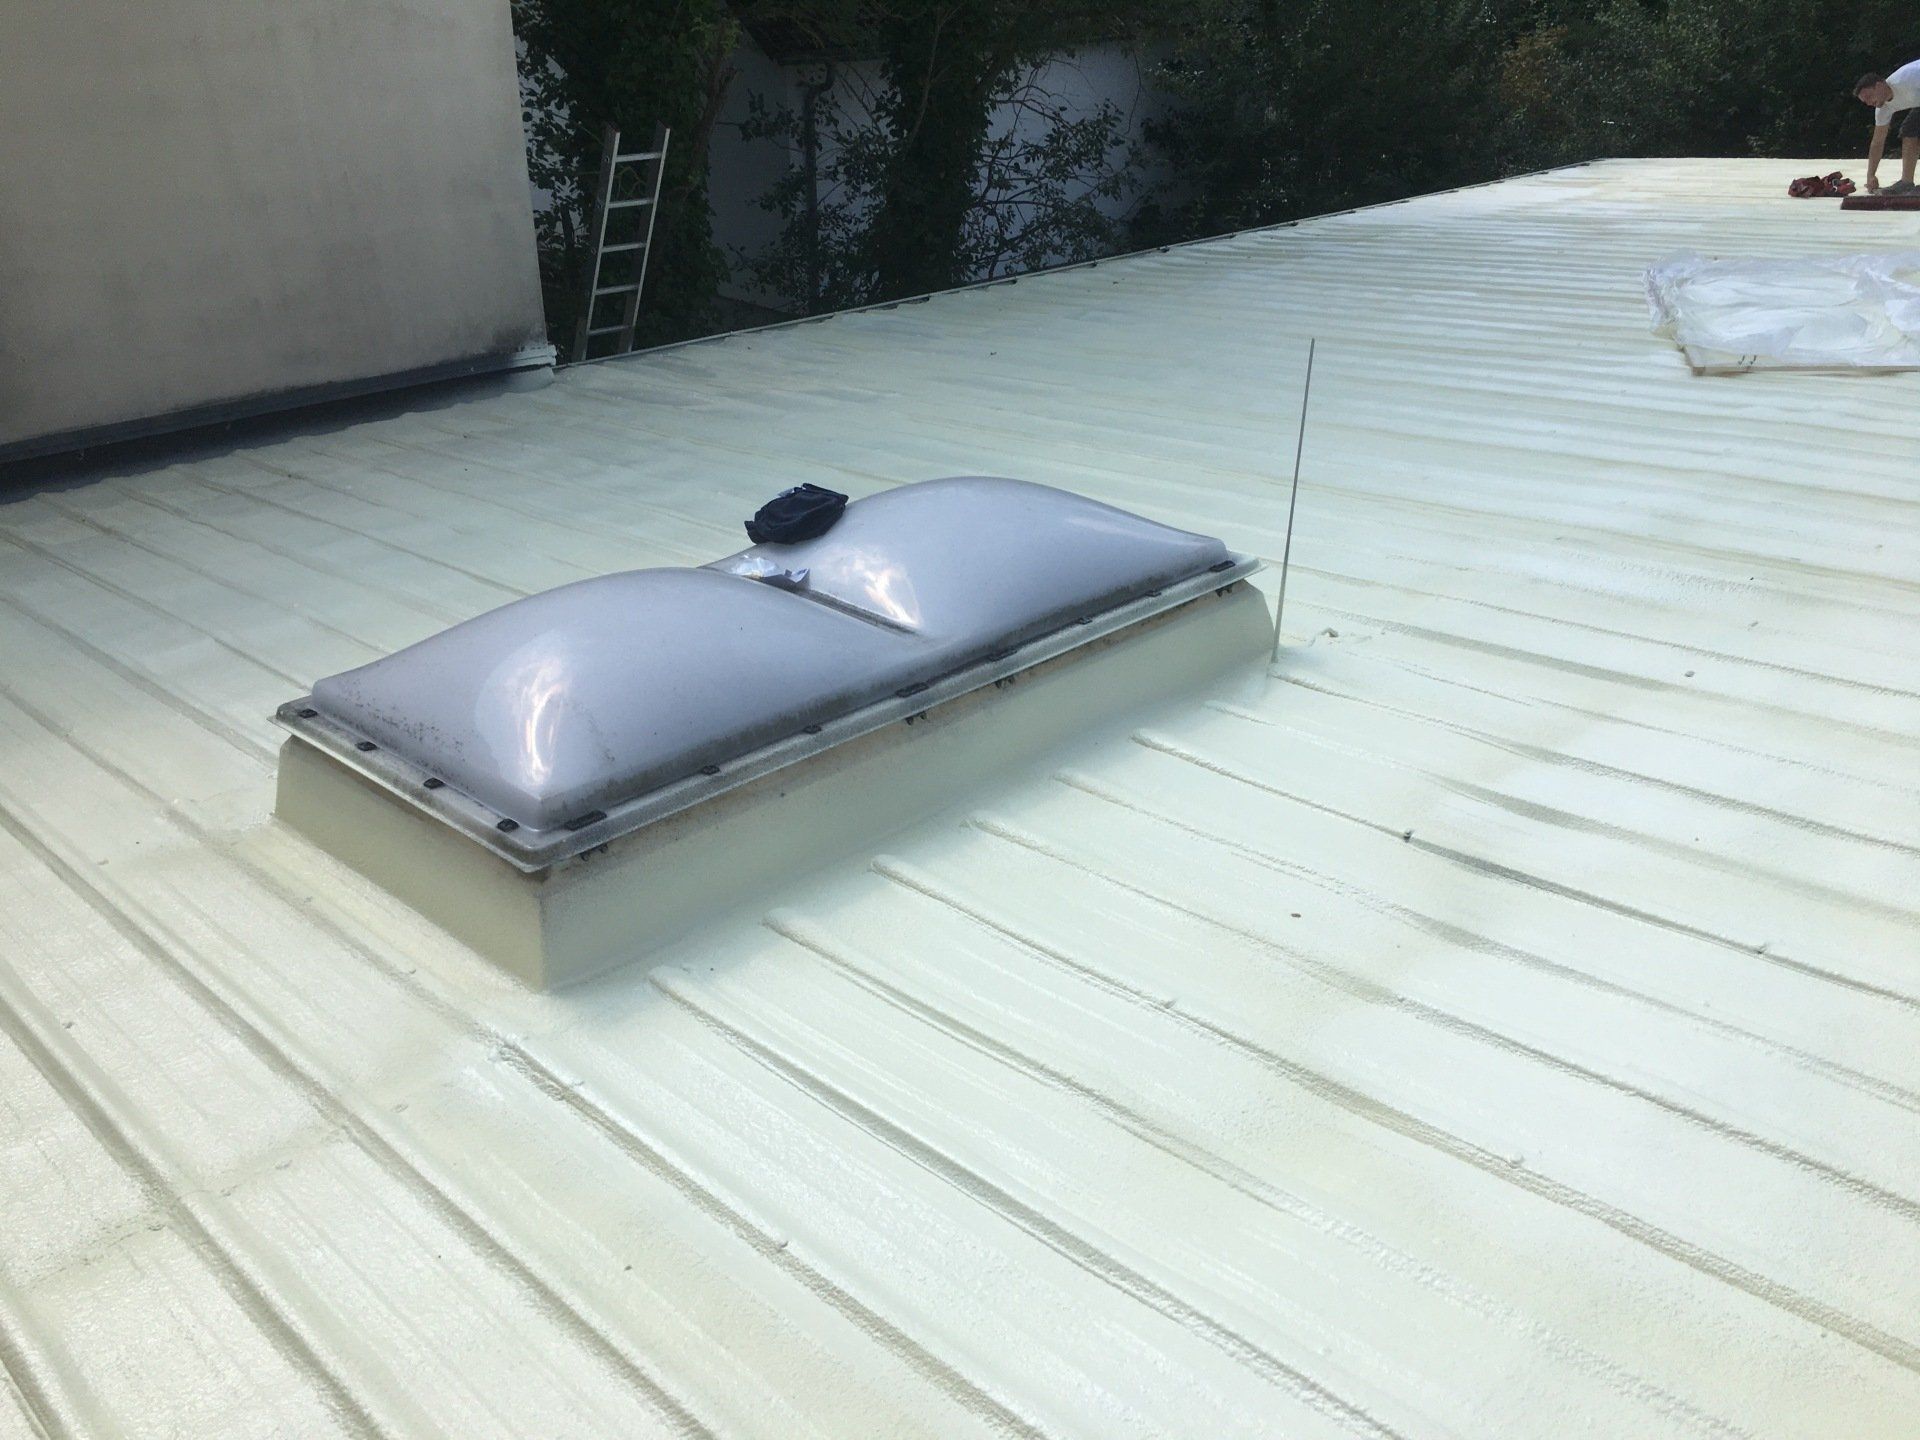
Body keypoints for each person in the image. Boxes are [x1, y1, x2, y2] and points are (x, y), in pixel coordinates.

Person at [1854, 63, 1920, 194]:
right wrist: (1870, 175)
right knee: (1909, 130)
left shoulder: (1906, 79)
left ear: (1879, 86)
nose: (1869, 103)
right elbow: (1877, 142)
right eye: (1865, 101)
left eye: (1869, 97)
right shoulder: (1882, 109)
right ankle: (1906, 183)